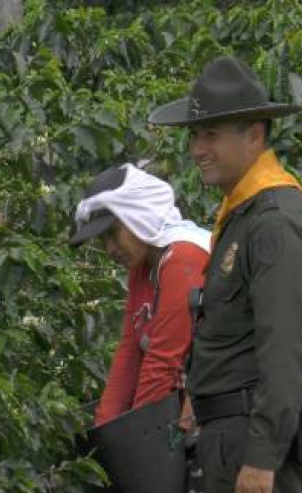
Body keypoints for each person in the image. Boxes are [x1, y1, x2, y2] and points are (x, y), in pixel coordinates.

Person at [148, 56, 302, 493]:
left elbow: (286, 349)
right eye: (194, 135)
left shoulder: (274, 224)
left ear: (255, 134)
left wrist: (263, 455)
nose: (197, 149)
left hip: (251, 440)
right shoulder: (245, 215)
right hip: (230, 434)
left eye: (211, 134)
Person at [70, 162, 210, 428]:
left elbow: (162, 361)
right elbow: (130, 351)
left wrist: (138, 434)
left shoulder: (184, 258)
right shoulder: (144, 266)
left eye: (113, 233)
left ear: (139, 215)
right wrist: (105, 428)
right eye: (103, 240)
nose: (110, 249)